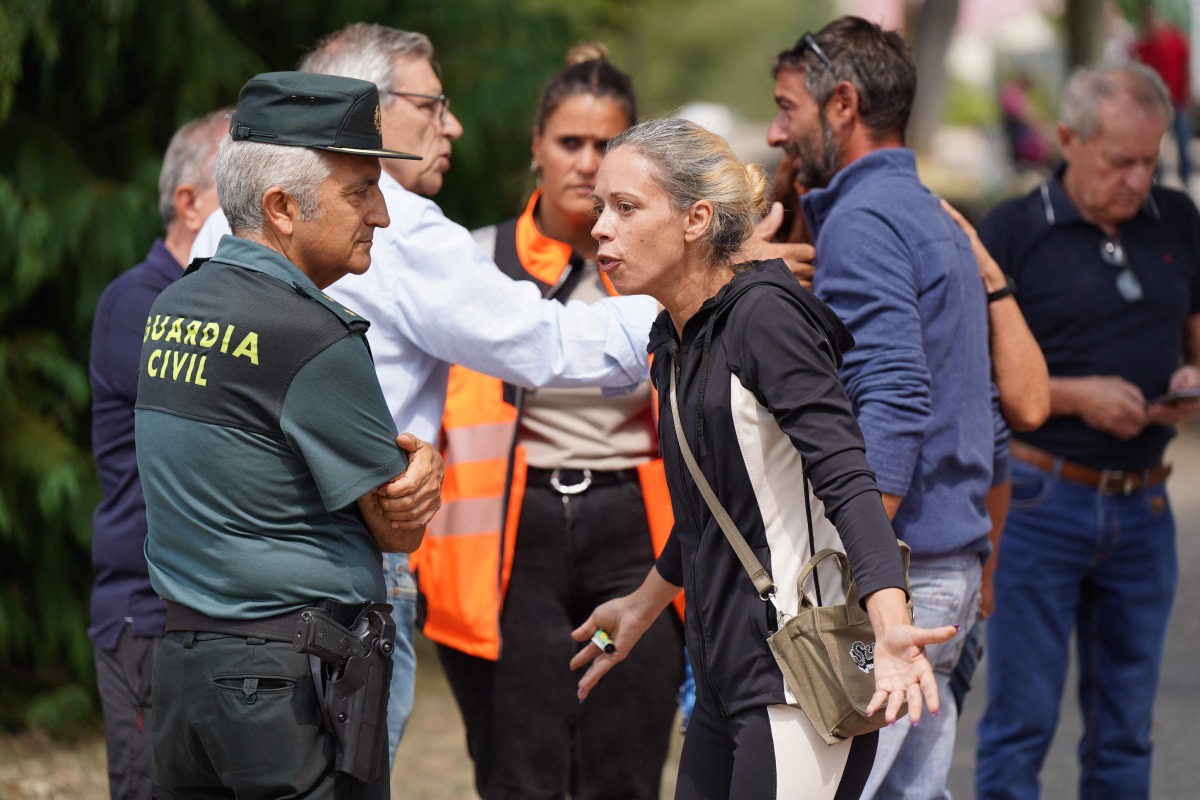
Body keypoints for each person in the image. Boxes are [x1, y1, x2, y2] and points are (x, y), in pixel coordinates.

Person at [188, 23, 673, 768]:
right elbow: (542, 346)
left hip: (222, 559)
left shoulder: (229, 217)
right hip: (350, 557)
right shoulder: (406, 226)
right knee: (339, 772)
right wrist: (689, 286)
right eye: (433, 102)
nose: (453, 124)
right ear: (370, 109)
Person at [571, 115, 953, 800]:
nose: (601, 226)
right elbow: (712, 512)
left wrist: (891, 624)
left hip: (797, 679)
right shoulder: (675, 339)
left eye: (626, 208)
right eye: (601, 207)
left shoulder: (765, 318)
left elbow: (847, 475)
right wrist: (641, 607)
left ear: (696, 220)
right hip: (722, 681)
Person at [137, 71, 443, 798]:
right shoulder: (312, 336)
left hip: (184, 671)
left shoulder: (173, 306)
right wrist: (421, 474)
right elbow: (395, 529)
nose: (382, 216)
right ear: (281, 207)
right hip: (285, 689)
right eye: (359, 192)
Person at [421, 44, 684, 799]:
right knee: (523, 769)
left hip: (632, 544)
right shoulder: (474, 260)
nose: (587, 163)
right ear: (536, 147)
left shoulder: (668, 270)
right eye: (571, 142)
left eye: (608, 146)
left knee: (621, 767)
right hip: (515, 551)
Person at [766, 17, 1007, 799]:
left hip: (903, 576)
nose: (777, 132)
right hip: (945, 570)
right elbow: (983, 409)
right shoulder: (930, 212)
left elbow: (897, 394)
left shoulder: (865, 222)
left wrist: (856, 563)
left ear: (841, 103)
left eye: (786, 108)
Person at [974, 63, 1200, 800]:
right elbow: (973, 377)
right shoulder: (1011, 229)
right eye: (1119, 161)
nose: (1137, 180)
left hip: (1146, 506)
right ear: (1069, 139)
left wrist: (1192, 380)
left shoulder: (1177, 219)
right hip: (1042, 502)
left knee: (1126, 731)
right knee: (1020, 724)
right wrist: (1073, 397)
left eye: (1149, 160)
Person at [87, 108, 227, 800]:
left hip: (205, 616)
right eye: (242, 186)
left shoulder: (216, 304)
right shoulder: (139, 304)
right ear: (189, 203)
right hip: (148, 615)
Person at [1133, 4, 1192, 188]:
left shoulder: (1176, 40)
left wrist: (1186, 94)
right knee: (1153, 144)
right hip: (1154, 103)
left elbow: (1185, 69)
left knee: (1182, 142)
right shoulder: (1143, 46)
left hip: (1176, 100)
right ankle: (1154, 180)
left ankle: (1186, 179)